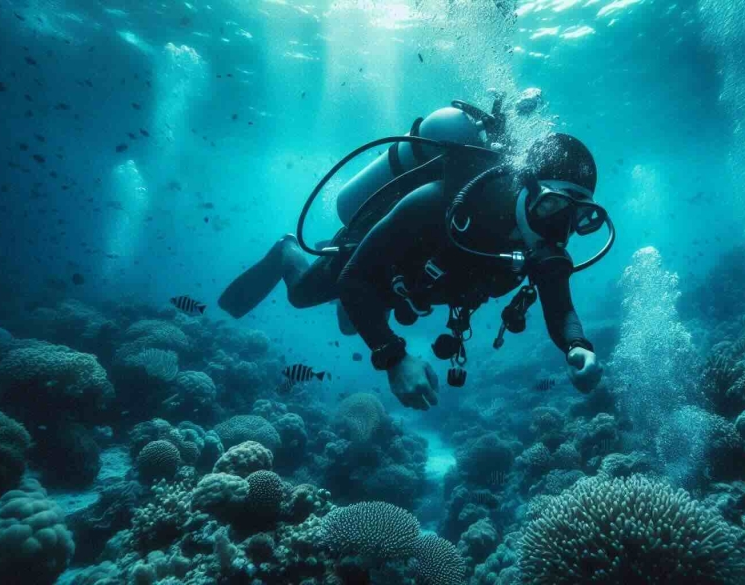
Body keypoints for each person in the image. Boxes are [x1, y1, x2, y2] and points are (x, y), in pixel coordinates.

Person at [218, 98, 612, 411]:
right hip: (372, 261)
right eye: (550, 207)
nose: (557, 230)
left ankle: (358, 300)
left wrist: (578, 347)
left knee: (350, 326)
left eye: (577, 217)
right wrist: (393, 358)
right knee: (301, 295)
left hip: (411, 283)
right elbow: (353, 279)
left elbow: (560, 308)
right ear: (525, 189)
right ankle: (288, 249)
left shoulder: (544, 245)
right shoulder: (442, 202)